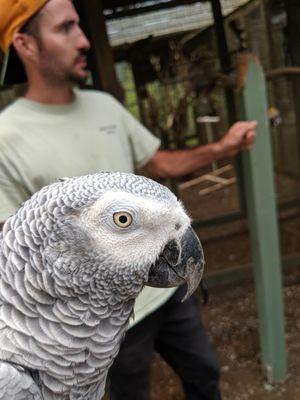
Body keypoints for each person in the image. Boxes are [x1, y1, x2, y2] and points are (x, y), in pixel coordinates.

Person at [0, 1, 257, 399]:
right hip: (71, 317)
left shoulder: (104, 104)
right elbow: (11, 242)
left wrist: (222, 147)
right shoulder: (5, 136)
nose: (84, 40)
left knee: (204, 370)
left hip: (139, 299)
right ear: (25, 44)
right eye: (66, 28)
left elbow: (160, 163)